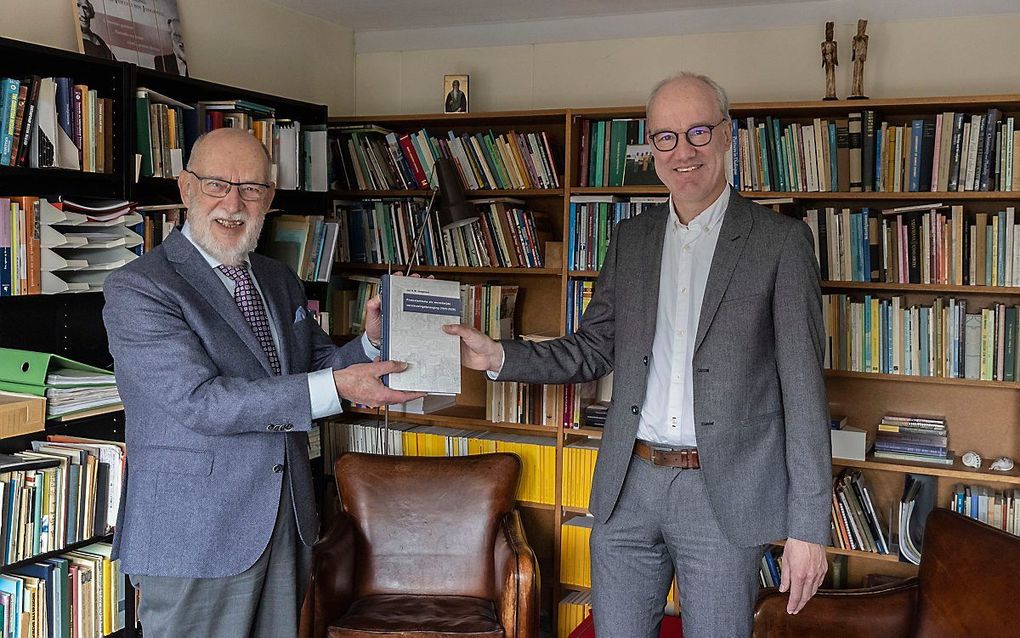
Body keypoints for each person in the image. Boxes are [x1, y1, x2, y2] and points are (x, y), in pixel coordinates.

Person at [445, 73, 831, 637]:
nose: (684, 151)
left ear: (727, 135)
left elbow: (803, 391)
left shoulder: (780, 242)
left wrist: (808, 528)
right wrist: (498, 357)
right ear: (651, 151)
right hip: (630, 485)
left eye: (698, 131)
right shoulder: (632, 239)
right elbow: (593, 348)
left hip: (723, 495)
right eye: (666, 137)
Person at [102, 128, 424, 638]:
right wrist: (339, 387)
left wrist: (369, 343)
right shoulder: (140, 287)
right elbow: (200, 403)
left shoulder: (278, 278)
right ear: (186, 188)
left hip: (285, 519)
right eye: (216, 184)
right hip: (195, 535)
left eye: (251, 188)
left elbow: (317, 363)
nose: (234, 202)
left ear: (269, 200)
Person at [821, 21, 838, 100]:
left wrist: (833, 58)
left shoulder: (834, 44)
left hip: (831, 62)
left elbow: (834, 54)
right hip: (827, 62)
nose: (829, 34)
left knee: (831, 76)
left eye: (830, 33)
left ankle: (832, 93)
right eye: (827, 33)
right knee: (828, 76)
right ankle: (828, 93)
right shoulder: (823, 44)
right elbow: (823, 53)